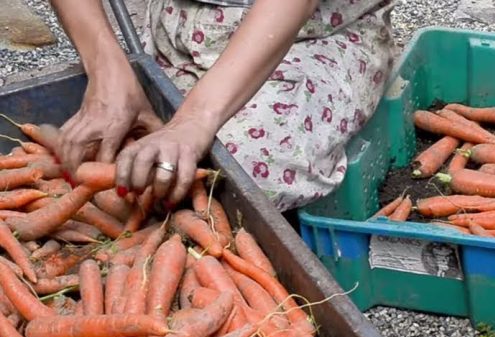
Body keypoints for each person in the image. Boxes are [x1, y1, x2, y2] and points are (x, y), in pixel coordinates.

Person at [48, 0, 397, 211]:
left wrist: (194, 121)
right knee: (104, 144)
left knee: (232, 170)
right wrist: (106, 68)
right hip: (181, 24)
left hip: (307, 35)